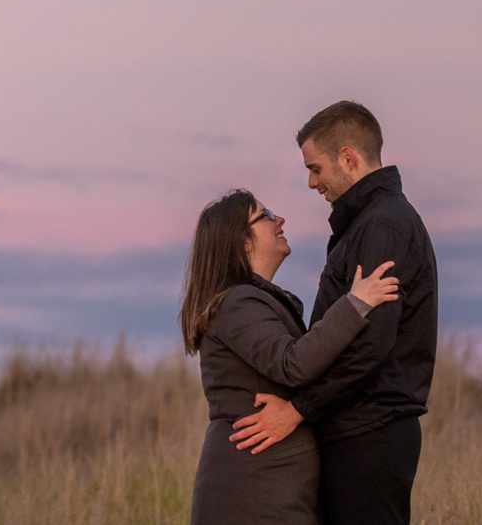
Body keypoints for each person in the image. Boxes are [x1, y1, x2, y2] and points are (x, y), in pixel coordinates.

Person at [229, 101, 438, 525]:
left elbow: (370, 344)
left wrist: (299, 409)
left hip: (370, 432)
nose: (311, 182)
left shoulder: (382, 226)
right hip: (357, 428)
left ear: (348, 157)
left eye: (316, 168)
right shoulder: (367, 223)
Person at [182, 187, 399, 525]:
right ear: (242, 242)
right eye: (265, 216)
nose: (279, 219)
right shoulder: (238, 304)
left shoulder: (251, 301)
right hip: (252, 490)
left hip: (269, 484)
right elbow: (292, 364)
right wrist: (356, 303)